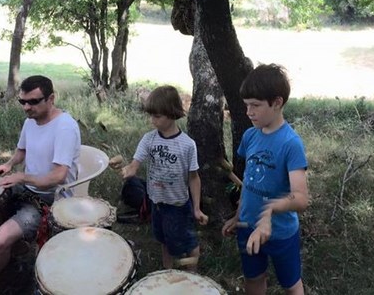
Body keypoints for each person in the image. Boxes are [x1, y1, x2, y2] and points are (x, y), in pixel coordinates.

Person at [0, 75, 80, 295]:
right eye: (22, 101)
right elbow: (22, 150)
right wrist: (9, 164)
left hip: (51, 199)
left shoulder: (65, 127)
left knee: (1, 237)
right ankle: (5, 254)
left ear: (51, 98)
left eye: (33, 101)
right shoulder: (30, 120)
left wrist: (22, 177)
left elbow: (59, 176)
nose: (26, 107)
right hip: (28, 187)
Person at [222, 64, 309, 295]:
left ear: (277, 102)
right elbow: (249, 183)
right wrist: (238, 215)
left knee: (291, 285)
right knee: (253, 278)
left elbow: (301, 199)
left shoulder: (291, 144)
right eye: (246, 105)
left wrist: (269, 211)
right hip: (247, 227)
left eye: (255, 105)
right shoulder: (250, 136)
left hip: (281, 233)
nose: (248, 112)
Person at [120, 85, 204, 270]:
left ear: (172, 113)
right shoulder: (149, 139)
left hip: (178, 206)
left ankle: (193, 273)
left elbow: (194, 178)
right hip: (156, 202)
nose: (152, 120)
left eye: (157, 116)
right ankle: (167, 272)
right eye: (151, 115)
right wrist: (129, 169)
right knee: (164, 239)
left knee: (187, 241)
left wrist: (197, 208)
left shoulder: (187, 145)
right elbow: (135, 163)